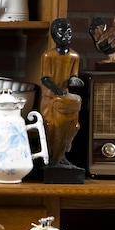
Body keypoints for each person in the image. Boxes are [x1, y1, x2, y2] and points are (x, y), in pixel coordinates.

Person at [39, 17, 84, 169]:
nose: (66, 35)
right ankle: (51, 157)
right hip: (50, 98)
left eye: (69, 32)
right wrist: (57, 89)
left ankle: (61, 156)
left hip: (65, 99)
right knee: (51, 126)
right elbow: (45, 78)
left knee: (72, 126)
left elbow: (73, 76)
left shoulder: (74, 56)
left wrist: (74, 81)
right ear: (53, 35)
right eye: (61, 32)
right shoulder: (48, 56)